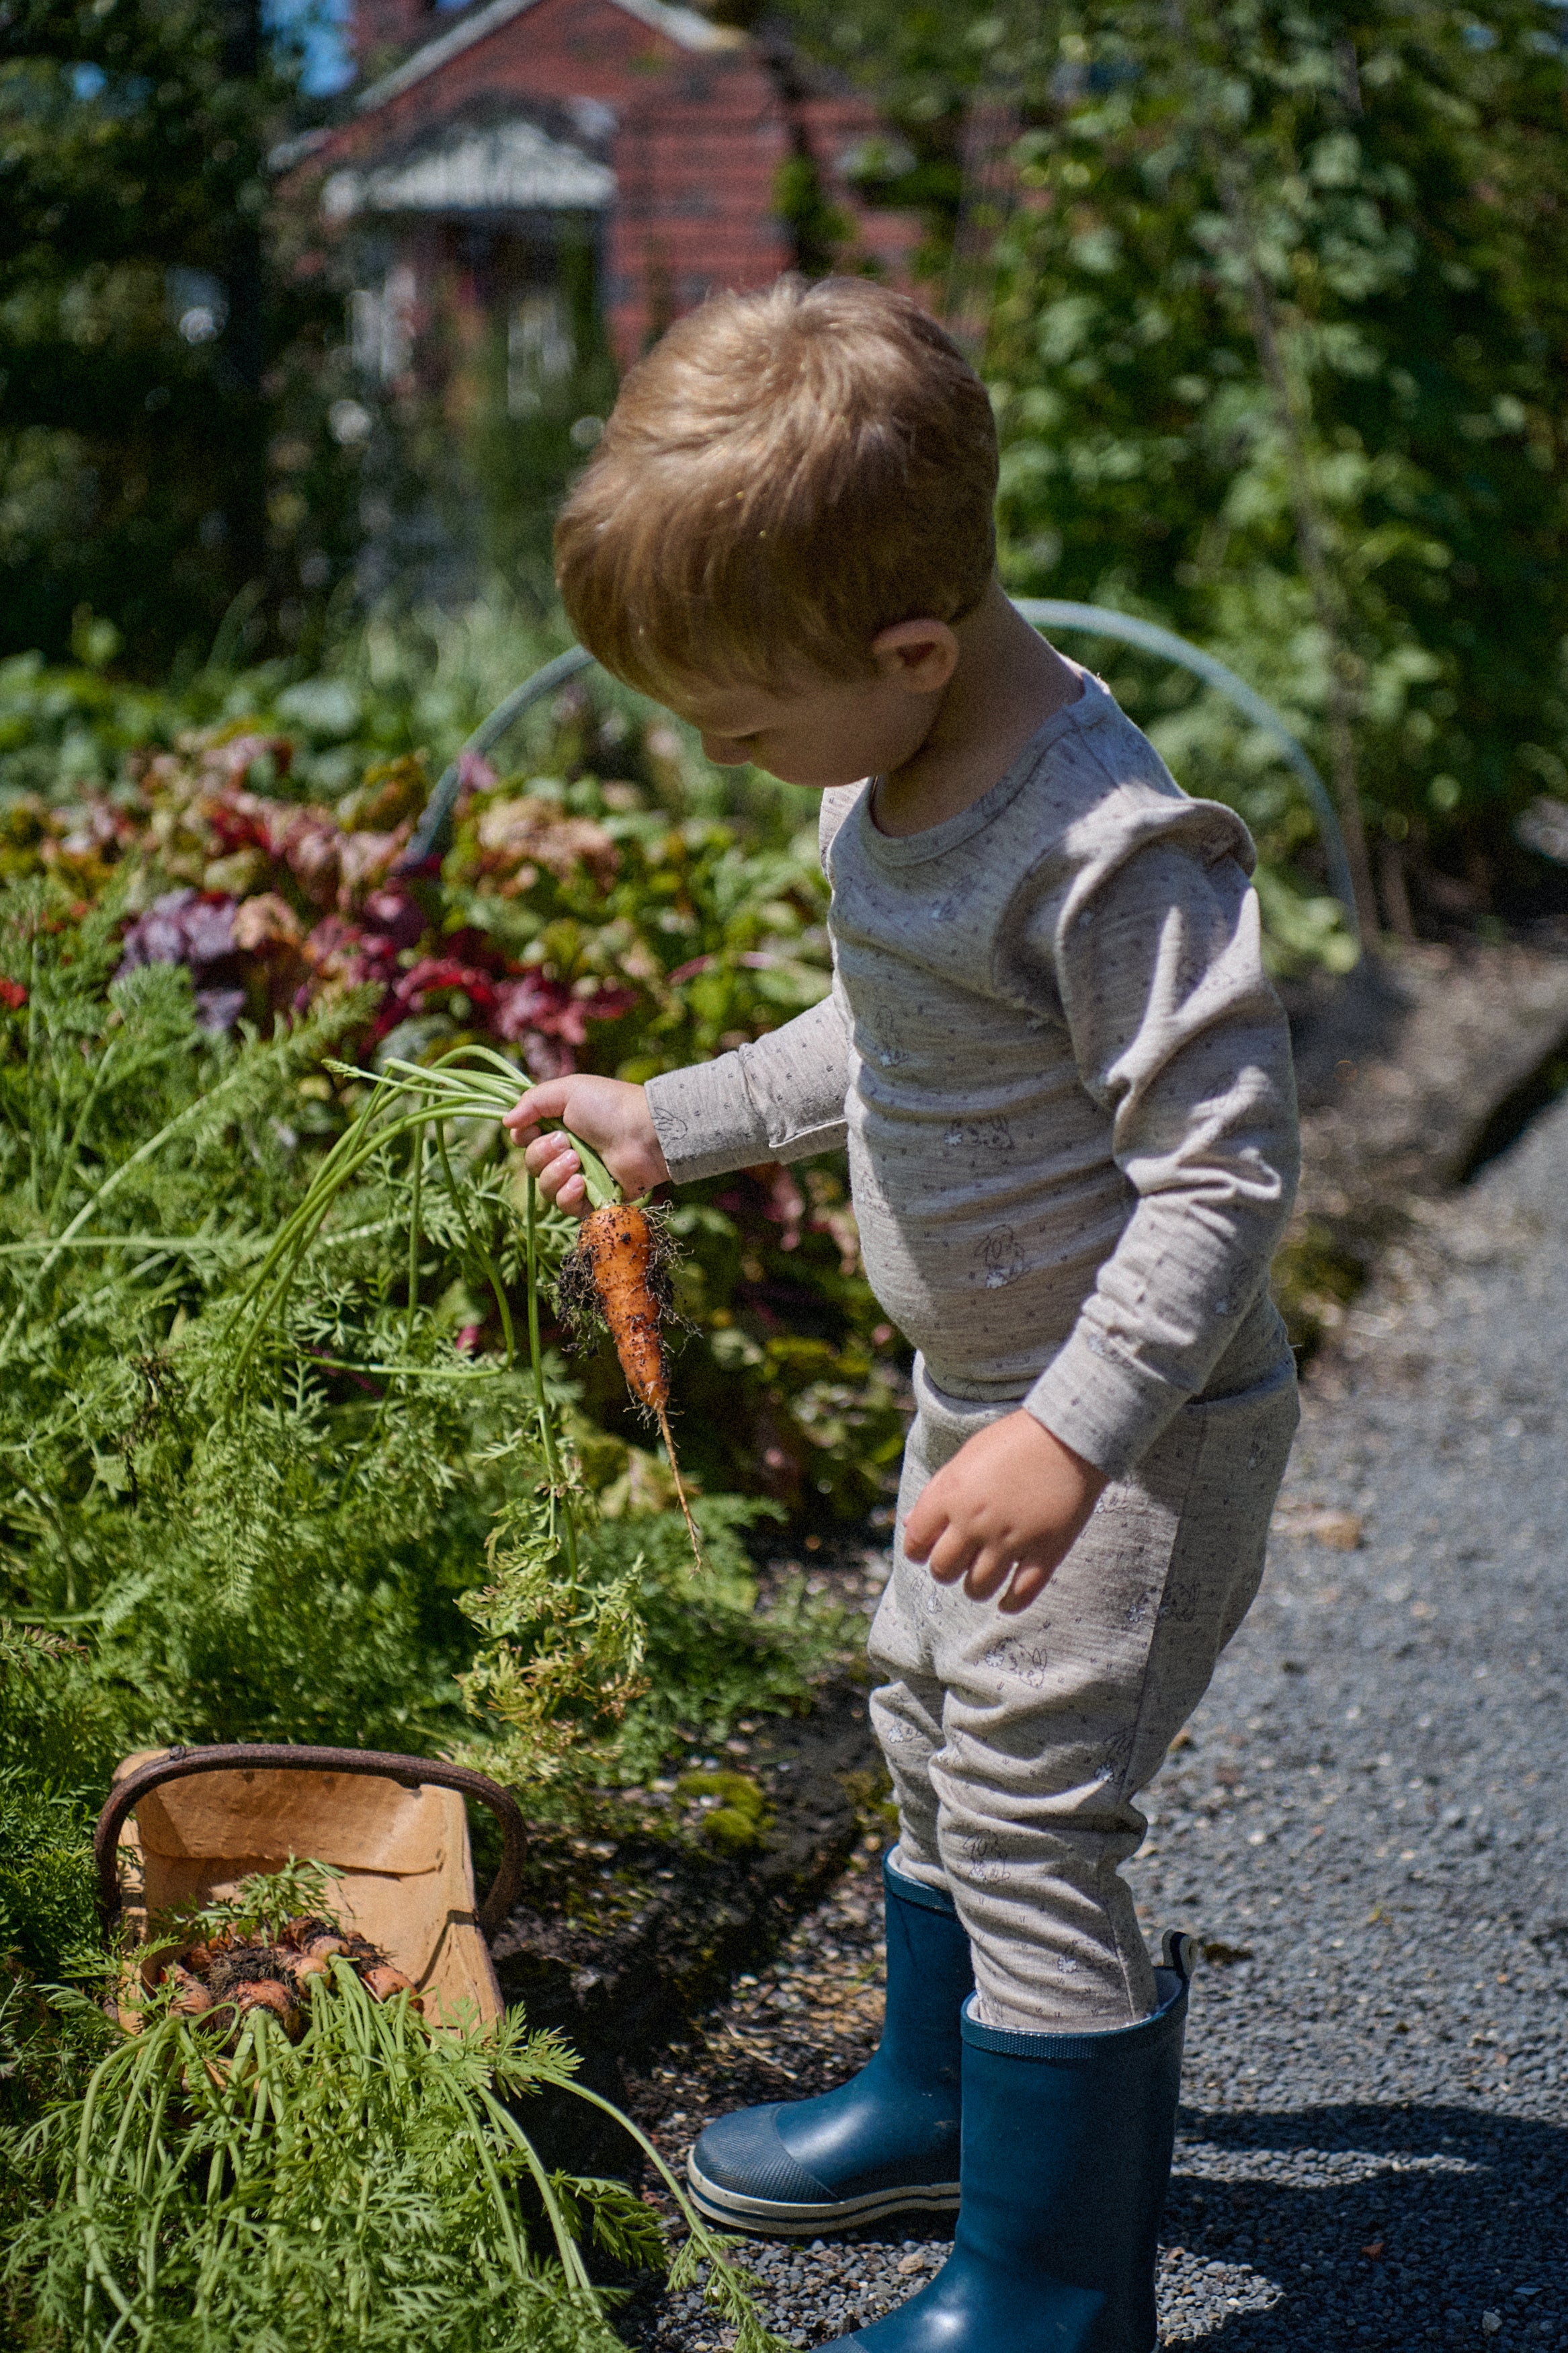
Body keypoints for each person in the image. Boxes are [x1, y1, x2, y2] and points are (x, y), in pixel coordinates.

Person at [503, 274, 1300, 2353]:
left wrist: (1073, 1431)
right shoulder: (894, 773)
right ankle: (942, 2100)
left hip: (1129, 1428)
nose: (734, 767)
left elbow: (1224, 1171)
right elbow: (881, 1037)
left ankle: (1047, 2291)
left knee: (1040, 1803)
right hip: (990, 1400)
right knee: (925, 1734)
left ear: (913, 651)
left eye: (744, 727)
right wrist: (665, 1119)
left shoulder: (1110, 846)